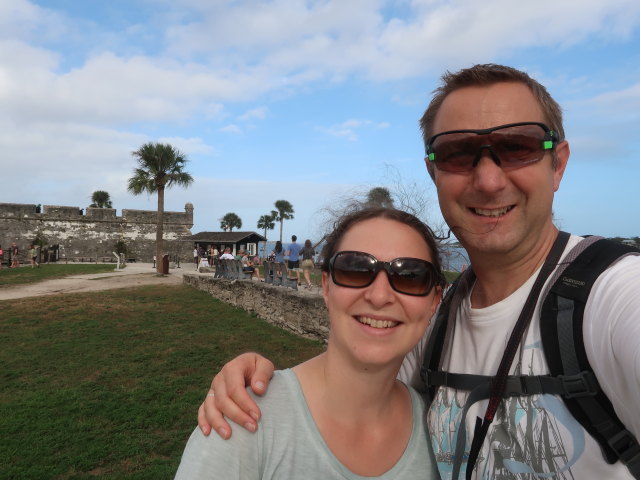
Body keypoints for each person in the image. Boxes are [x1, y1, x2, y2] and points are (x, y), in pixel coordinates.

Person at [197, 64, 640, 479]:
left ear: (557, 163)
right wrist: (260, 383)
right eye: (457, 153)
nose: (488, 180)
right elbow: (351, 381)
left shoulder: (613, 295)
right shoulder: (432, 326)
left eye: (517, 147)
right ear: (433, 171)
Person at [174, 208, 443, 479]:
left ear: (434, 301)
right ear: (326, 287)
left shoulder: (442, 435)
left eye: (410, 275)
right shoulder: (243, 419)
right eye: (355, 269)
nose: (380, 295)